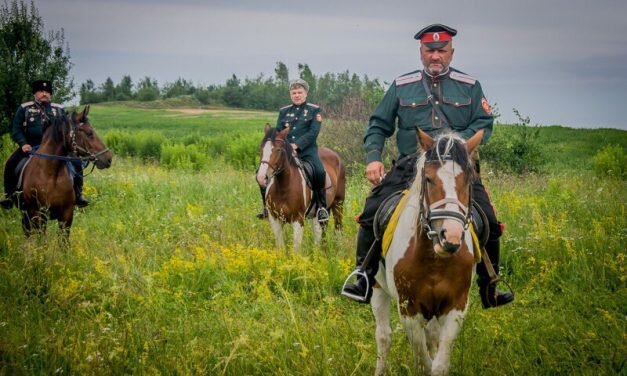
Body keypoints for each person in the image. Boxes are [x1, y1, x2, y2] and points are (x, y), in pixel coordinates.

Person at [341, 24, 514, 309]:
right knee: (373, 210)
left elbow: (483, 123)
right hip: (410, 165)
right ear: (421, 53)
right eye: (429, 50)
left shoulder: (469, 85)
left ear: (451, 53)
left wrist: (451, 146)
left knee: (490, 221)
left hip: (455, 167)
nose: (436, 56)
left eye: (441, 51)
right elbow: (378, 124)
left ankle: (490, 285)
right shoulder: (402, 85)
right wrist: (373, 157)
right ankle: (363, 275)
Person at [0, 79, 89, 209]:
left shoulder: (58, 109)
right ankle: (9, 196)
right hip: (31, 147)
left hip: (56, 150)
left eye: (47, 92)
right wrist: (23, 143)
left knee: (76, 162)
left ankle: (78, 194)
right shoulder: (25, 108)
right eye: (41, 91)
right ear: (35, 94)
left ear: (51, 94)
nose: (44, 94)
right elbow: (16, 129)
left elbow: (68, 129)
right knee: (11, 163)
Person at [257, 79, 329, 223]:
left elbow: (313, 132)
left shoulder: (314, 110)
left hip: (307, 151)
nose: (296, 95)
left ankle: (321, 207)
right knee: (262, 172)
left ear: (305, 94)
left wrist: (297, 145)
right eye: (294, 93)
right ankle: (266, 207)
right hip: (286, 152)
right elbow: (278, 131)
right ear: (291, 94)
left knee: (320, 171)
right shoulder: (284, 111)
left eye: (299, 92)